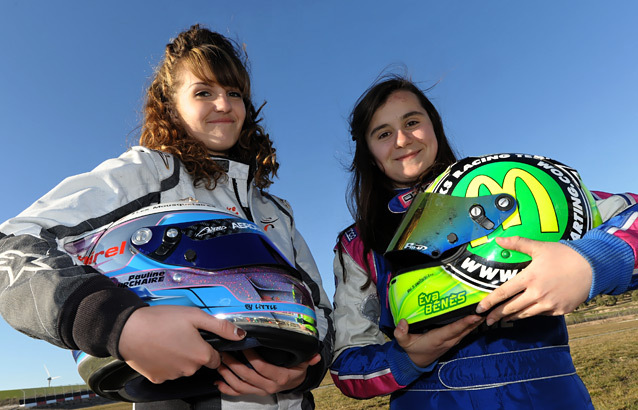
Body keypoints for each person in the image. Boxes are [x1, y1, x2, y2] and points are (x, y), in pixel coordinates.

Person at [0, 24, 333, 409]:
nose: (224, 105)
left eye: (234, 93)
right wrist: (119, 324)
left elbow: (318, 308)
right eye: (204, 92)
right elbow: (11, 246)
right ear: (171, 105)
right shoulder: (145, 173)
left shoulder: (276, 211)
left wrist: (305, 369)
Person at [329, 74, 638, 409]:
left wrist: (593, 262)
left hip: (549, 397)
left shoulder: (502, 185)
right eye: (384, 133)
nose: (402, 139)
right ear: (369, 152)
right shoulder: (358, 243)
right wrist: (407, 359)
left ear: (434, 126)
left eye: (412, 121)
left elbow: (627, 213)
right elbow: (347, 366)